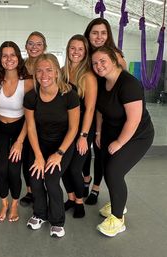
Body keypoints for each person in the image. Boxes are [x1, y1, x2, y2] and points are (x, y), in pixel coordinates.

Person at [91, 46, 154, 237]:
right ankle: (118, 202)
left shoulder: (129, 84)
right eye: (95, 63)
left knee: (114, 170)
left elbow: (133, 120)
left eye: (103, 61)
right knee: (106, 165)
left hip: (137, 135)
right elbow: (100, 109)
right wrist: (99, 132)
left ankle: (118, 219)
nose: (99, 66)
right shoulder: (102, 82)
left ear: (114, 59)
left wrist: (119, 143)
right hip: (111, 131)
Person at [24, 53, 80, 238]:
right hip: (39, 144)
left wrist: (59, 153)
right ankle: (40, 214)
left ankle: (57, 220)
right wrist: (39, 156)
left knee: (51, 179)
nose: (44, 74)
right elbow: (31, 127)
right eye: (39, 70)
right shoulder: (31, 97)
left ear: (57, 72)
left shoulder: (69, 95)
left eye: (49, 70)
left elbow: (73, 128)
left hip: (62, 145)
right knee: (35, 177)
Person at [82, 17, 127, 204]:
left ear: (108, 35)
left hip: (106, 112)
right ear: (88, 35)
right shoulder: (85, 55)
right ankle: (86, 179)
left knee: (100, 151)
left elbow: (126, 86)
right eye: (94, 32)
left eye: (103, 33)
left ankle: (96, 188)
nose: (99, 37)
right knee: (82, 150)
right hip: (87, 110)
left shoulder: (115, 55)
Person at [0, 41, 33, 222]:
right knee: (1, 169)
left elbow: (31, 116)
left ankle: (14, 203)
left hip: (20, 129)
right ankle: (4, 203)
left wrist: (20, 141)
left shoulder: (29, 82)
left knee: (14, 170)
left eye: (12, 55)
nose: (9, 59)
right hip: (0, 128)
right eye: (5, 55)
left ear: (19, 57)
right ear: (0, 59)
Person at [61, 35, 97, 218]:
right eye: (72, 48)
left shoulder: (88, 76)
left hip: (83, 128)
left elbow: (90, 109)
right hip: (66, 129)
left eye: (80, 49)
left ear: (85, 52)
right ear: (68, 50)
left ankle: (80, 201)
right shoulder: (62, 72)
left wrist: (84, 136)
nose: (76, 52)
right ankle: (71, 197)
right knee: (62, 167)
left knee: (75, 168)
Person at [20, 31, 47, 207]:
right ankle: (30, 191)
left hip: (44, 117)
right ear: (25, 46)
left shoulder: (49, 65)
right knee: (27, 157)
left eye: (38, 44)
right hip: (23, 116)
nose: (34, 47)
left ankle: (44, 188)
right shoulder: (20, 66)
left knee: (42, 155)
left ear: (44, 47)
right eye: (31, 43)